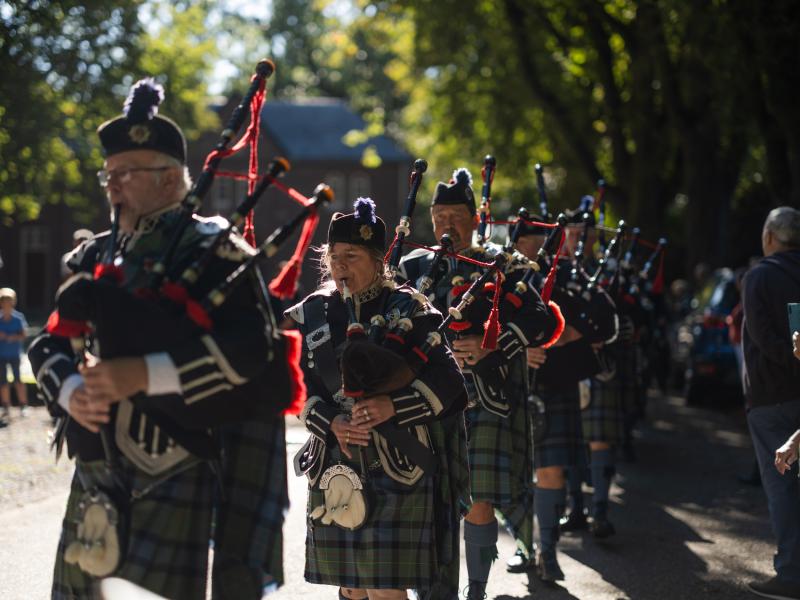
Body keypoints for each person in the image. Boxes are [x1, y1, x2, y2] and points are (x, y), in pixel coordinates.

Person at [27, 78, 290, 599]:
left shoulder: (219, 251)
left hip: (177, 465)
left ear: (171, 180)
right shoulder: (92, 256)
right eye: (109, 174)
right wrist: (68, 393)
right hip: (97, 471)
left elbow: (253, 349)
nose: (112, 185)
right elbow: (50, 343)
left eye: (126, 173)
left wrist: (144, 374)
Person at [287, 197, 469, 600]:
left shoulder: (410, 307)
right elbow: (301, 390)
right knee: (351, 588)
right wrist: (332, 422)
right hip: (336, 464)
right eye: (333, 256)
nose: (339, 266)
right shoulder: (314, 313)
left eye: (351, 256)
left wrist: (393, 406)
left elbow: (451, 384)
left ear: (377, 259)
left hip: (399, 461)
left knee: (385, 589)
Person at [399, 170, 558, 598]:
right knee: (431, 500)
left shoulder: (503, 263)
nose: (446, 223)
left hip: (484, 396)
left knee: (479, 499)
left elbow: (538, 318)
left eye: (455, 214)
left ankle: (476, 589)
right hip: (424, 399)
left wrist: (493, 345)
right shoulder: (411, 266)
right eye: (439, 215)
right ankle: (434, 587)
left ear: (473, 218)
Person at [515, 205, 617, 581]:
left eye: (540, 241)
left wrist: (568, 333)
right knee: (516, 475)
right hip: (510, 385)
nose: (533, 248)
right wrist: (519, 347)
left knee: (551, 470)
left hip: (556, 385)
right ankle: (526, 547)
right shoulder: (501, 276)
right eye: (527, 241)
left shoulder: (572, 277)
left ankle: (547, 552)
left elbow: (605, 322)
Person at [741, 206, 800, 600]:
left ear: (768, 237)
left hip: (772, 396)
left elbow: (762, 338)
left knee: (783, 485)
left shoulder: (760, 275)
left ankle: (791, 573)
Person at [0, 287, 29, 423]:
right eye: (4, 301)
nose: (6, 304)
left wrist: (12, 337)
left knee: (18, 380)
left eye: (9, 301)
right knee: (3, 381)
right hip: (1, 355)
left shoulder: (18, 318)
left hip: (14, 354)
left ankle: (23, 405)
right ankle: (6, 406)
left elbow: (24, 335)